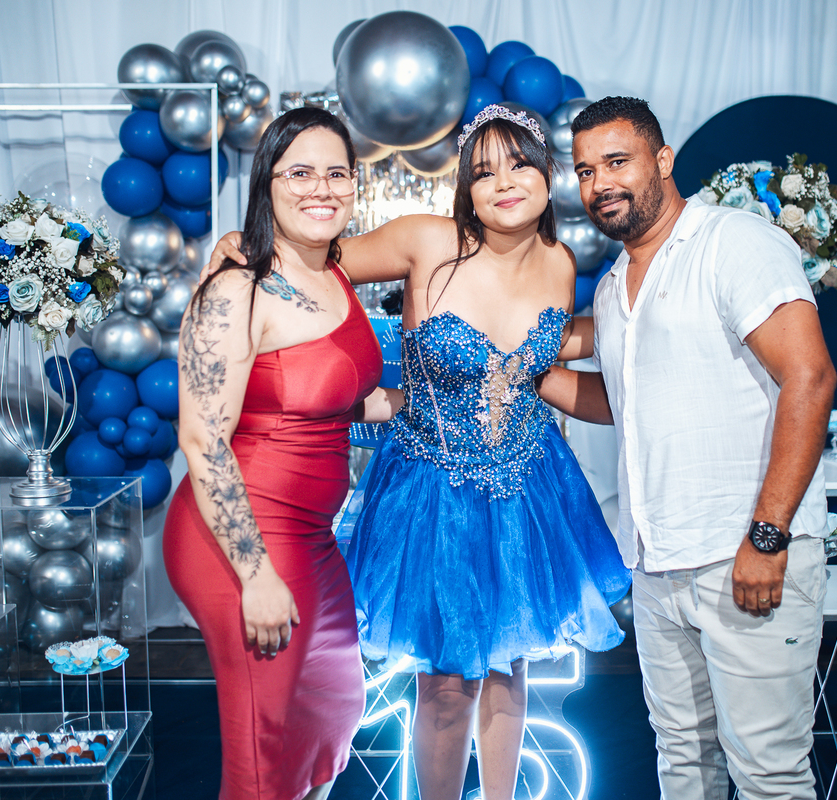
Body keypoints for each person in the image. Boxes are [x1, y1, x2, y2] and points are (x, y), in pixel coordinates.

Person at [206, 104, 630, 800]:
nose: (504, 182)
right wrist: (245, 249)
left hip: (529, 486)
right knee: (445, 688)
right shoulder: (426, 240)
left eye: (519, 164)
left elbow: (542, 362)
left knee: (509, 671)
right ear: (466, 188)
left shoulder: (559, 261)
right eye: (484, 172)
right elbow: (313, 260)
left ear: (547, 174)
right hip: (433, 489)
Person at [538, 96, 837, 800]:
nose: (600, 183)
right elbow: (626, 401)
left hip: (743, 552)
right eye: (586, 171)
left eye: (618, 161)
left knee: (767, 772)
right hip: (657, 563)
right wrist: (528, 374)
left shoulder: (733, 242)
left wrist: (767, 536)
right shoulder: (614, 285)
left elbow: (810, 376)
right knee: (682, 760)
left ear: (663, 159)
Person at [163, 106, 401, 800]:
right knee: (263, 749)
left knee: (332, 711)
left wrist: (433, 399)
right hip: (242, 540)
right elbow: (202, 438)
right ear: (267, 181)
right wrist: (255, 575)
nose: (320, 188)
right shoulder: (237, 288)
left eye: (336, 173)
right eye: (299, 172)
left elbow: (340, 399)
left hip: (312, 540)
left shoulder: (335, 275)